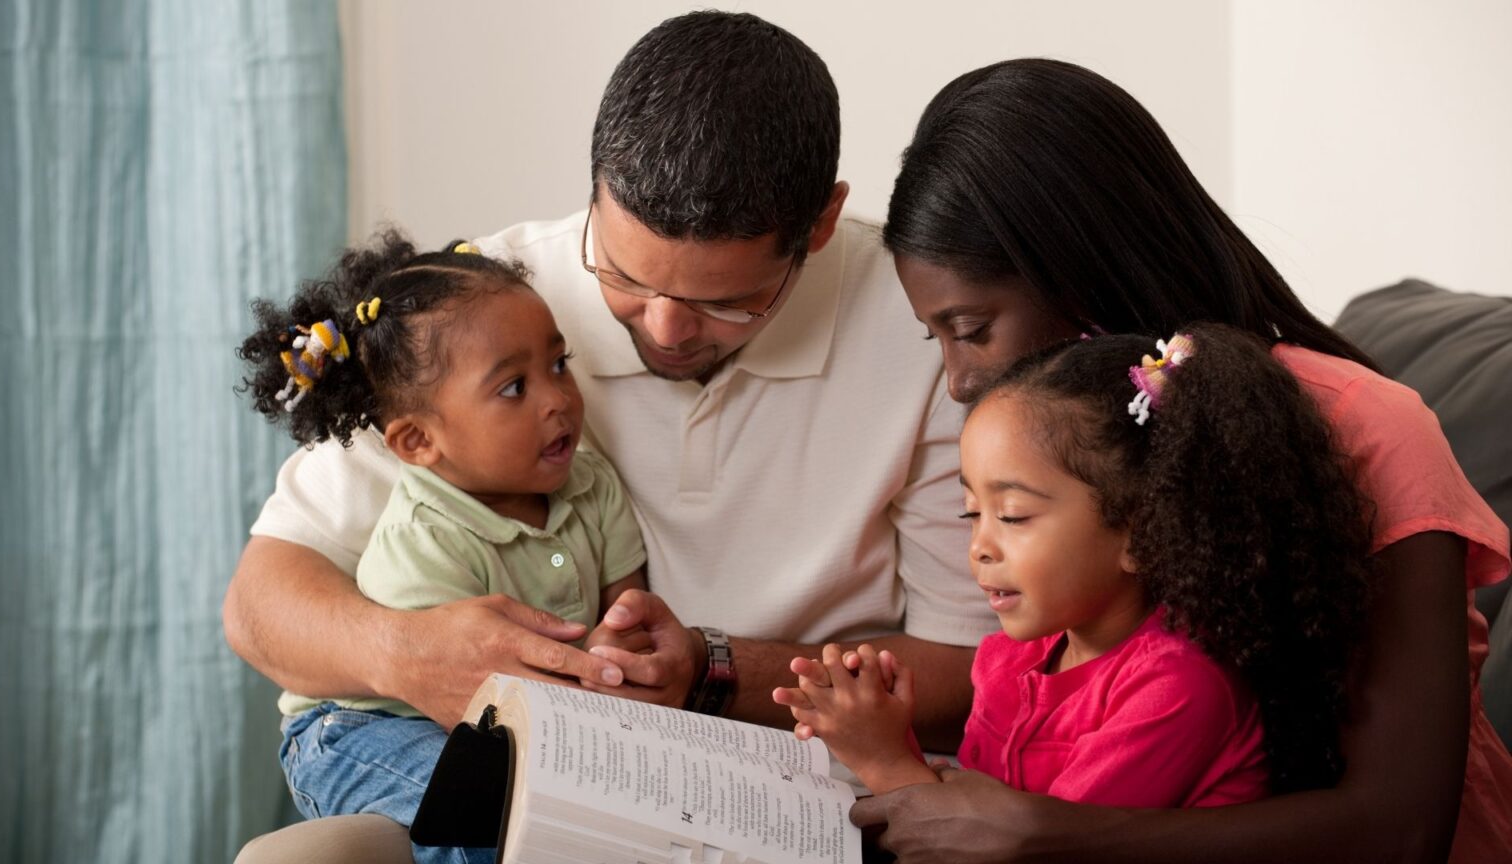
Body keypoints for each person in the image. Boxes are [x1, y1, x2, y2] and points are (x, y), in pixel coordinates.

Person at [227, 12, 984, 862]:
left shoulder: (922, 325)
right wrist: (405, 654)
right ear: (594, 189)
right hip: (568, 771)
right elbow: (261, 603)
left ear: (817, 225)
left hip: (791, 792)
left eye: (724, 302)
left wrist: (712, 672)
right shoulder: (487, 311)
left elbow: (967, 675)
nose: (663, 328)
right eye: (624, 275)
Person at [851, 58, 1512, 863]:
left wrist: (1047, 834)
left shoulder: (1367, 427)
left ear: (1078, 269)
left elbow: (1402, 827)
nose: (956, 382)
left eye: (973, 328)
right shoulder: (1072, 462)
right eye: (938, 338)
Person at [778, 326, 1373, 809]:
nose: (980, 547)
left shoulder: (1178, 687)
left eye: (1011, 516)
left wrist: (884, 761)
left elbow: (1023, 851)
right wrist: (887, 729)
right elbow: (973, 810)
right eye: (971, 513)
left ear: (1142, 533)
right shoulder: (1010, 659)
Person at [237, 233, 647, 862]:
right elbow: (464, 705)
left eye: (558, 364)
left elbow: (629, 607)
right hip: (361, 727)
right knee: (483, 808)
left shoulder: (592, 486)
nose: (557, 398)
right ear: (418, 443)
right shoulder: (423, 543)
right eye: (514, 388)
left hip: (492, 718)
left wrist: (622, 646)